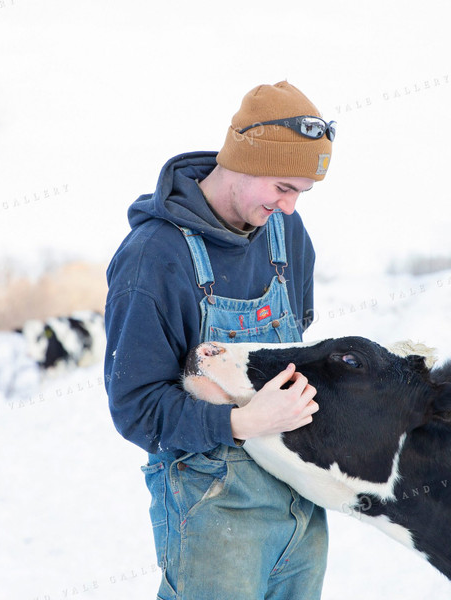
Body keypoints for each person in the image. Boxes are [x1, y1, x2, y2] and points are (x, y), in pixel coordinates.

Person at [104, 81, 335, 600]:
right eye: (282, 187)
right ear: (242, 162)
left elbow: (296, 346)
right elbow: (135, 407)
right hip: (212, 506)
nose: (291, 207)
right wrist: (241, 422)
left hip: (299, 498)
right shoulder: (153, 257)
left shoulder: (287, 237)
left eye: (302, 192)